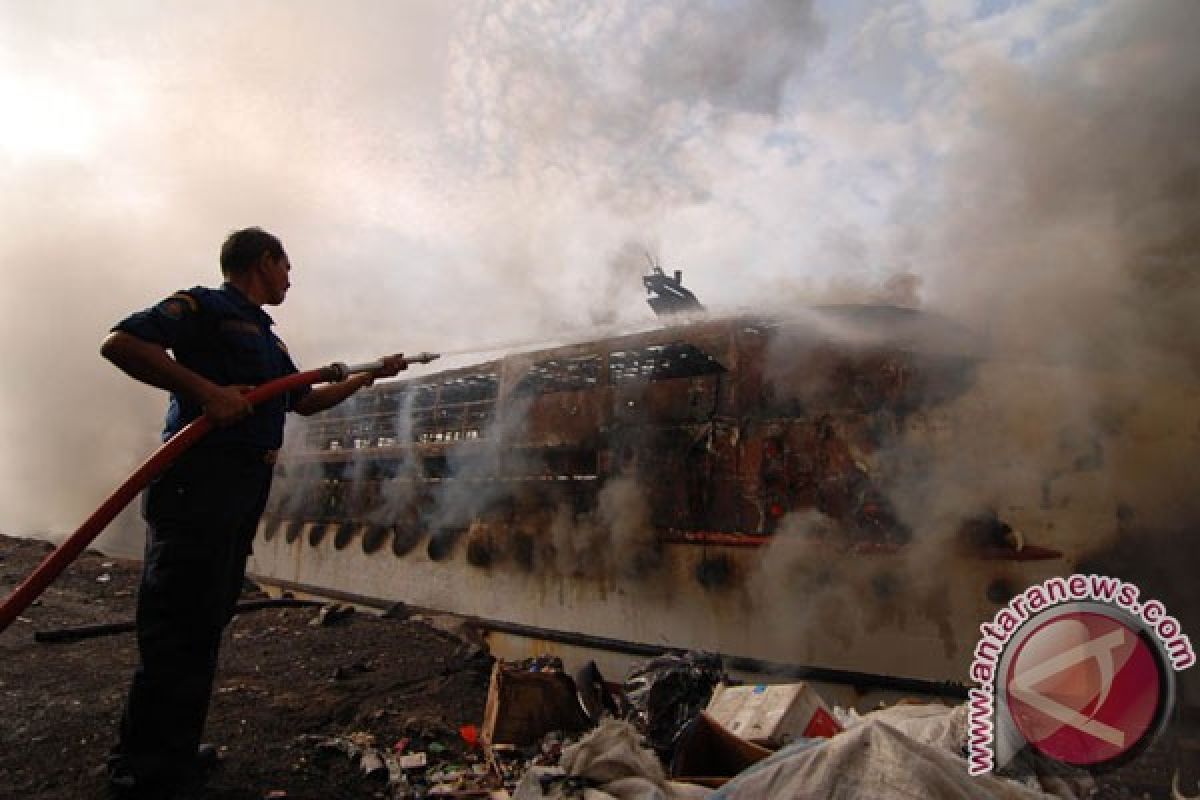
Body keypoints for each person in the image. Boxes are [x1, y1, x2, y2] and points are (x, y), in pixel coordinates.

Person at [100, 227, 405, 798]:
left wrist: (370, 376)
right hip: (198, 481)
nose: (291, 277)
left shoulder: (270, 341)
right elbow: (122, 343)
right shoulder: (205, 306)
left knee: (205, 622)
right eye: (287, 266)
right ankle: (140, 771)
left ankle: (175, 754)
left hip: (239, 487)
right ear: (266, 260)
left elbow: (305, 400)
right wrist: (208, 392)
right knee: (175, 627)